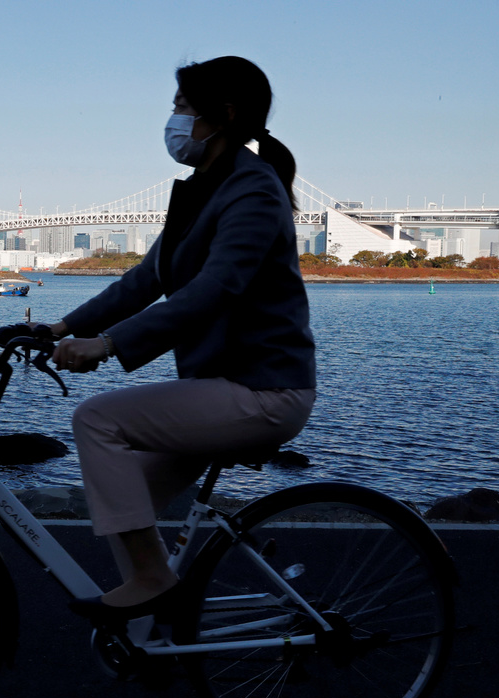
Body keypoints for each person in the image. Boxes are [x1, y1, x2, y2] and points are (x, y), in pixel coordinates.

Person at [45, 56, 317, 624]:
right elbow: (146, 280)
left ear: (225, 114)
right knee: (122, 504)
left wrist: (109, 344)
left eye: (182, 107)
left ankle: (153, 582)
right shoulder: (203, 189)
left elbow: (216, 288)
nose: (172, 120)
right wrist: (60, 328)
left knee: (96, 420)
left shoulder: (253, 189)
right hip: (222, 386)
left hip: (263, 390)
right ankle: (160, 635)